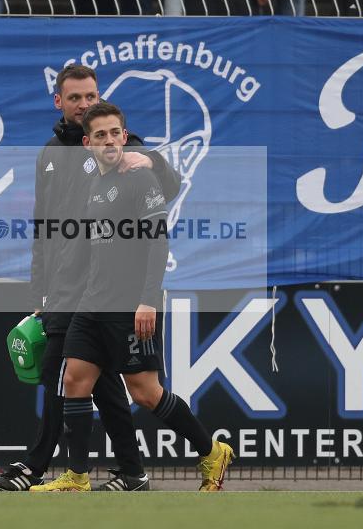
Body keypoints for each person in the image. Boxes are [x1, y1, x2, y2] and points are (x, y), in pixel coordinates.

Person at [0, 65, 181, 492]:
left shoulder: (119, 146)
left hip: (102, 288)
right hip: (64, 288)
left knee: (60, 374)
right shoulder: (50, 153)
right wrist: (40, 289)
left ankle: (35, 468)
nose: (84, 104)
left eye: (90, 96)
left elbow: (169, 184)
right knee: (103, 387)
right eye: (75, 98)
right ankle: (133, 472)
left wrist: (152, 160)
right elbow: (43, 225)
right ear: (59, 101)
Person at [31, 102, 234, 493]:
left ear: (125, 136)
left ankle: (211, 451)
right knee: (73, 380)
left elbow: (158, 243)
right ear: (88, 143)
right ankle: (76, 476)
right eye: (101, 135)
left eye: (115, 133)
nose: (109, 141)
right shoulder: (93, 185)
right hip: (92, 305)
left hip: (129, 306)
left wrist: (147, 300)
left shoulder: (140, 178)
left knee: (145, 393)